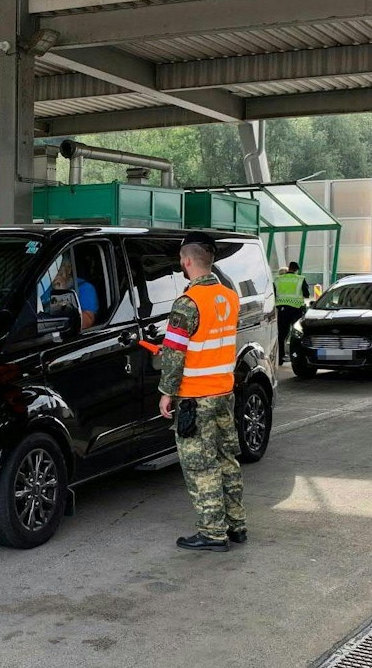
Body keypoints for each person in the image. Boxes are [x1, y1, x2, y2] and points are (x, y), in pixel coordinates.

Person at [157, 231, 246, 552]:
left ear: (187, 261)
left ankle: (212, 533)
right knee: (226, 459)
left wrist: (167, 391)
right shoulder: (229, 297)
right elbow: (209, 343)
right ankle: (236, 526)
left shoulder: (188, 302)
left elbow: (175, 352)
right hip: (224, 391)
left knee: (200, 464)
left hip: (196, 396)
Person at [45, 254, 98, 329]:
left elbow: (86, 322)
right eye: (51, 269)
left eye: (58, 268)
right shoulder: (44, 285)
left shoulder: (85, 288)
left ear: (69, 269)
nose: (54, 273)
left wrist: (61, 294)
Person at [276, 260, 309, 365]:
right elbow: (307, 294)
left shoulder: (278, 279)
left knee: (281, 334)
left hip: (282, 310)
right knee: (297, 334)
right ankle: (296, 357)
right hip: (296, 310)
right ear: (296, 270)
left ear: (289, 268)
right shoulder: (300, 279)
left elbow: (274, 293)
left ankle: (280, 357)